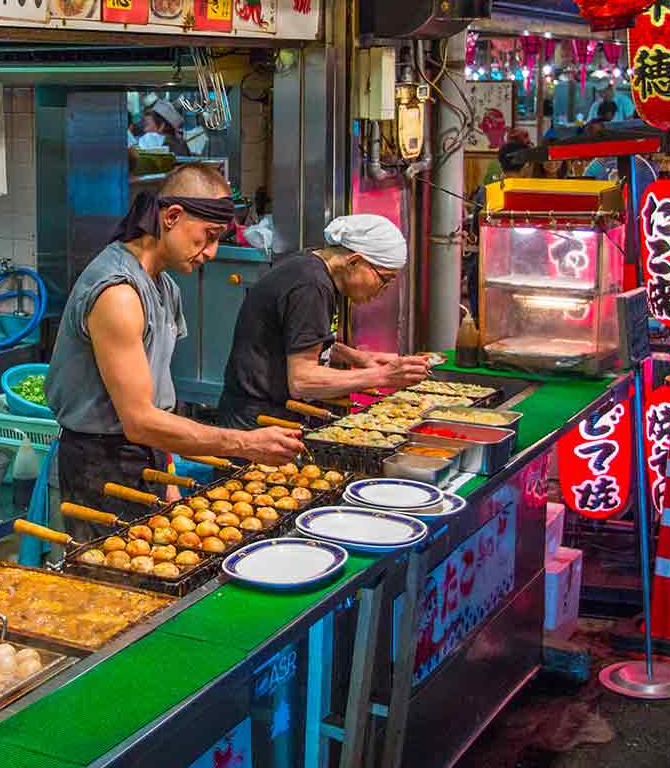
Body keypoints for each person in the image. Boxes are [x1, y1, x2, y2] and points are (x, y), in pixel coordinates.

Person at [45, 165, 303, 539]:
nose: (212, 252)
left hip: (145, 455)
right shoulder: (118, 294)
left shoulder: (164, 288)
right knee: (110, 589)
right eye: (208, 236)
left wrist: (168, 475)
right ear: (172, 217)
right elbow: (139, 420)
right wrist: (245, 443)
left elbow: (156, 399)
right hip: (98, 467)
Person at [216, 215, 430, 428]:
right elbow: (302, 381)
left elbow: (302, 340)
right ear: (354, 261)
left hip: (269, 411)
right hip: (256, 421)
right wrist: (383, 376)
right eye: (384, 279)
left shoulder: (313, 269)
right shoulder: (311, 286)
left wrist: (360, 358)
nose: (382, 291)